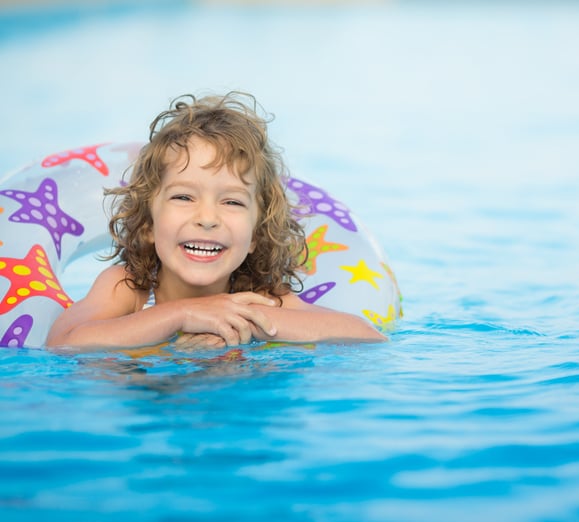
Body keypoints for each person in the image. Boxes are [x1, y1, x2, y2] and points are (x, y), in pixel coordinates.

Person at [46, 92, 386, 350]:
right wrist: (179, 316)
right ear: (148, 224)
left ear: (255, 233)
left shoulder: (257, 296)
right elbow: (63, 342)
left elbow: (366, 336)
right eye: (183, 197)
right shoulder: (130, 287)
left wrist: (242, 321)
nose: (207, 218)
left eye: (232, 201)